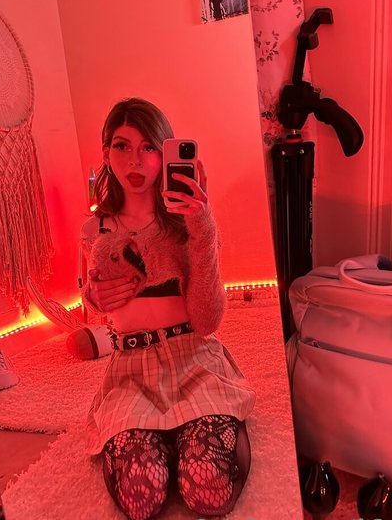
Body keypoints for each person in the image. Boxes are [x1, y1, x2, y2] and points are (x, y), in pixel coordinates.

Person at [80, 98, 255, 520]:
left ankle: (196, 430)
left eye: (149, 147)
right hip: (131, 373)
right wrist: (93, 296)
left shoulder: (187, 224)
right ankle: (170, 438)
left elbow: (207, 321)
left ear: (166, 153)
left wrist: (203, 230)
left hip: (193, 359)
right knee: (140, 494)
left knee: (209, 489)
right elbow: (96, 298)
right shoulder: (93, 228)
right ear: (106, 152)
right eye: (122, 146)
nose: (135, 160)